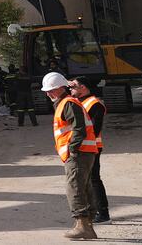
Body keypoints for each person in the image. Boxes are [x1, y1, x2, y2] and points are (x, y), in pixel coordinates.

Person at [41, 72, 100, 239]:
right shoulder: (66, 103)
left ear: (61, 89)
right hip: (84, 152)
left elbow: (79, 128)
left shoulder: (67, 103)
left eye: (51, 90)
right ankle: (86, 226)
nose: (48, 94)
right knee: (83, 187)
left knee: (74, 187)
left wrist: (72, 150)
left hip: (78, 153)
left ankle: (83, 225)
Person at [70, 78, 110, 223]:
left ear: (84, 87)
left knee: (94, 179)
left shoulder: (94, 104)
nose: (71, 89)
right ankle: (94, 211)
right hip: (84, 146)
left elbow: (94, 129)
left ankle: (103, 213)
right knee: (87, 180)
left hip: (92, 147)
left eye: (74, 86)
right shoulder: (79, 102)